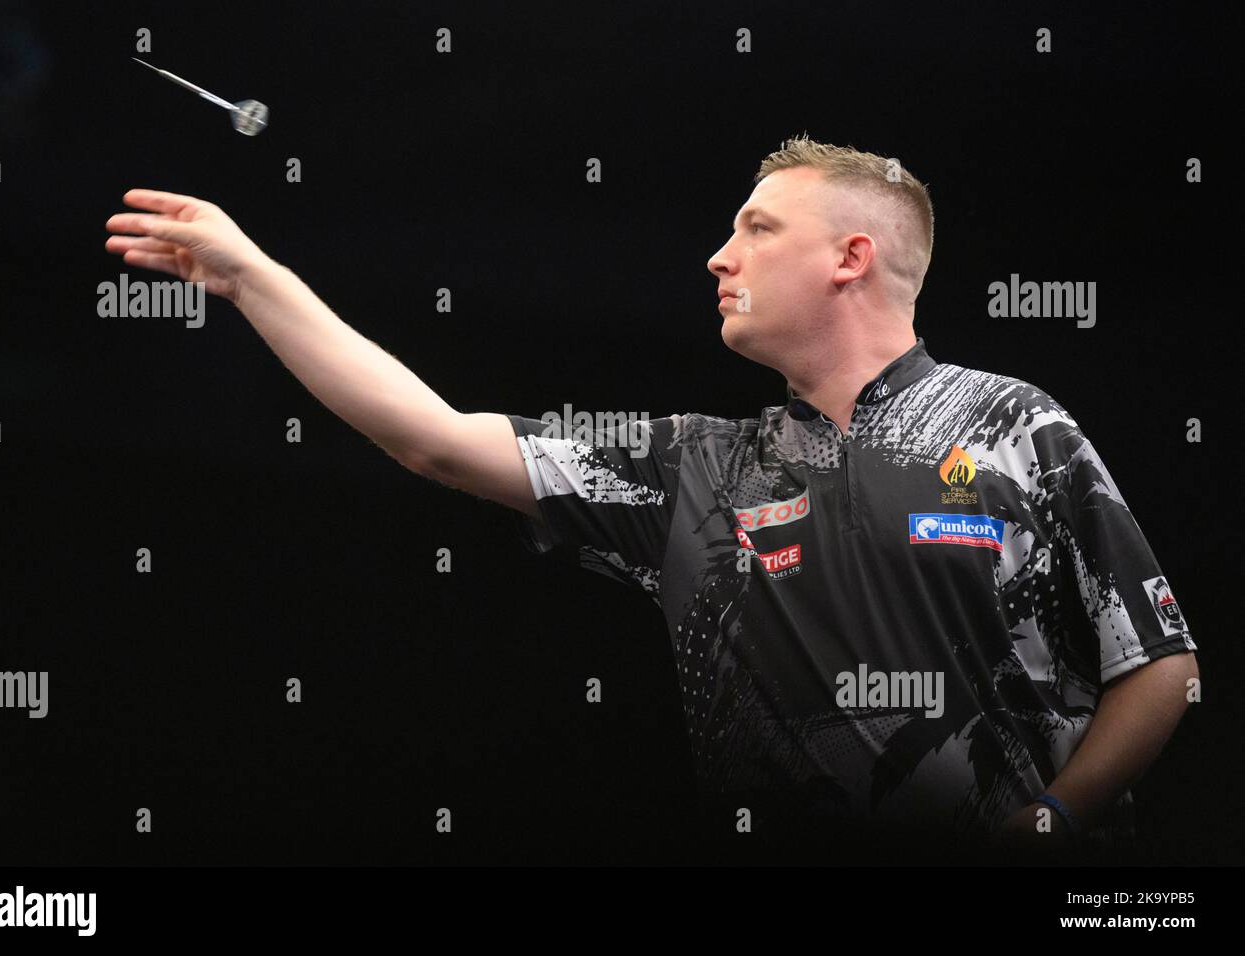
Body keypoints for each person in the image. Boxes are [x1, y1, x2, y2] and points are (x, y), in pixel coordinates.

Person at [105, 134, 1199, 861]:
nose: (719, 256)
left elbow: (1157, 662)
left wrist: (1051, 822)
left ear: (849, 257)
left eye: (756, 228)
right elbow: (434, 438)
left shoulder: (1014, 424)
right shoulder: (694, 466)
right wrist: (251, 275)